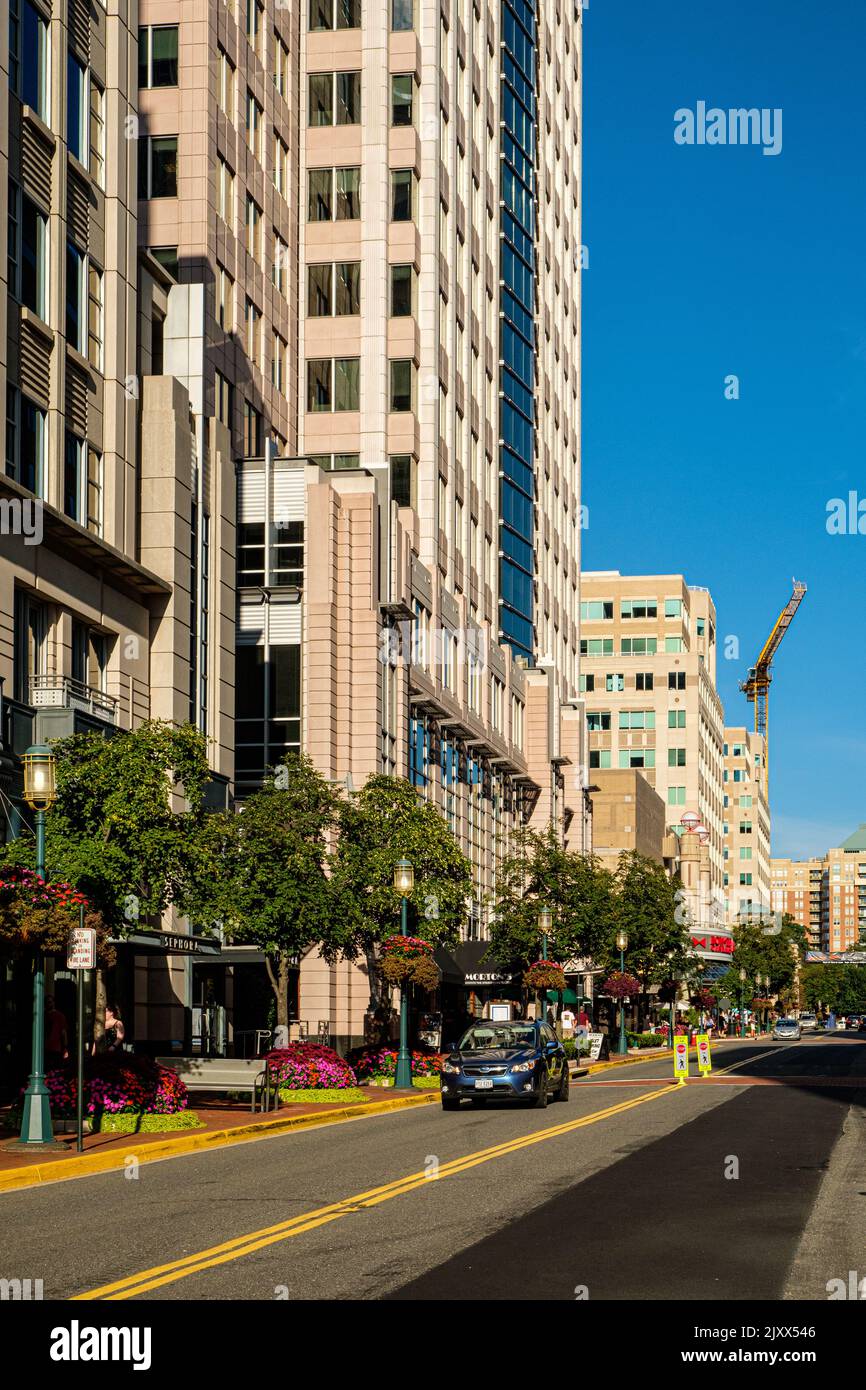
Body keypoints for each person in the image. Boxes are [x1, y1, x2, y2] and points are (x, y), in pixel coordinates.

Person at [44, 995, 68, 1070]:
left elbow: (63, 1032)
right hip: (45, 1047)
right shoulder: (43, 1015)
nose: (49, 1004)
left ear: (53, 1003)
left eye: (50, 1002)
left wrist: (65, 1047)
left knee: (55, 1069)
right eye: (47, 1002)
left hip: (56, 1048)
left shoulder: (59, 1016)